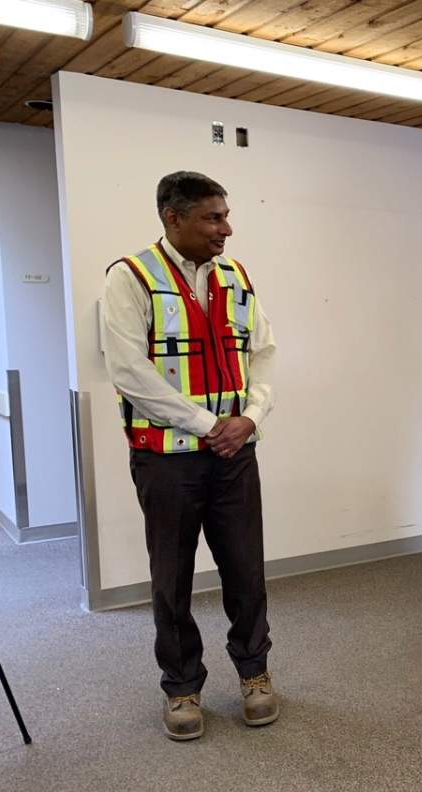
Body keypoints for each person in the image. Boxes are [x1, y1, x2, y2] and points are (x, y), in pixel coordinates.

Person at [102, 171, 279, 741]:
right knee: (171, 578)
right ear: (172, 218)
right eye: (212, 217)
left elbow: (264, 354)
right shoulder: (129, 279)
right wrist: (209, 425)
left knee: (246, 571)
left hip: (236, 456)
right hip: (167, 461)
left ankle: (255, 675)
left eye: (225, 215)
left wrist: (251, 416)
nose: (226, 229)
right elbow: (130, 373)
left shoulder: (235, 276)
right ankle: (182, 687)